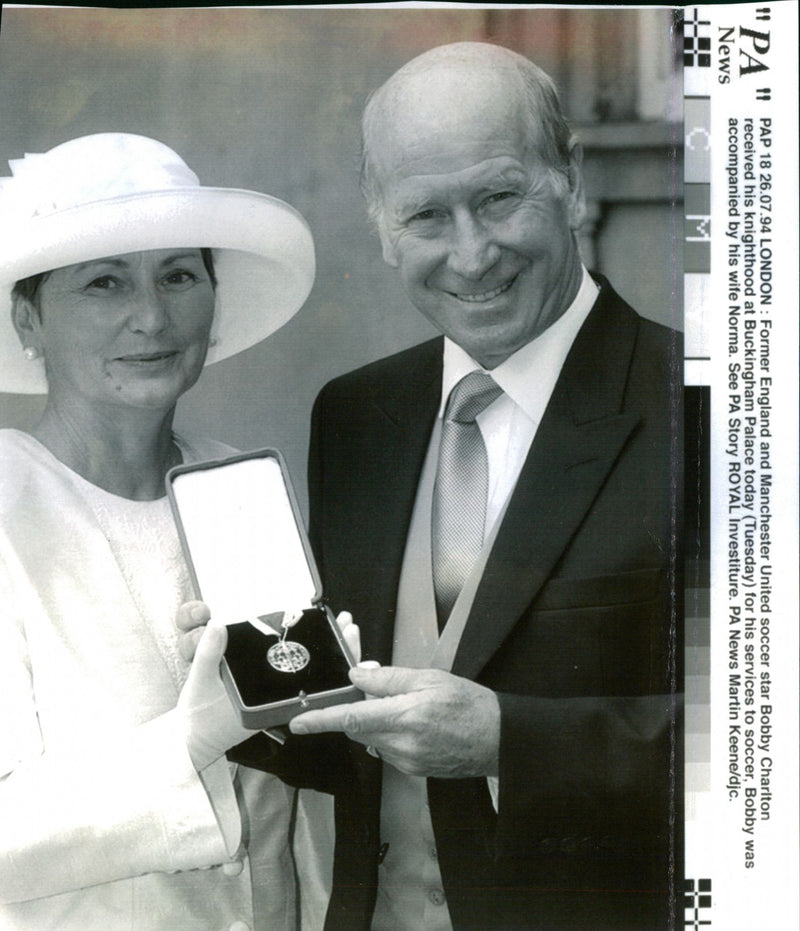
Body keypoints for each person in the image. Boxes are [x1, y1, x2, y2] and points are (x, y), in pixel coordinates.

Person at [188, 41, 683, 931]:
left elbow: (772, 755)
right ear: (381, 225)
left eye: (499, 196)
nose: (471, 253)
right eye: (426, 215)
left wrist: (507, 740)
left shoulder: (712, 415)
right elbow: (357, 744)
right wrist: (255, 679)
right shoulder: (357, 416)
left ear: (568, 178)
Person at [0, 132, 331, 931]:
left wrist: (325, 706)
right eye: (103, 283)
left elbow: (296, 807)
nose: (151, 317)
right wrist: (192, 736)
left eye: (179, 275)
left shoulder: (244, 489)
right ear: (28, 319)